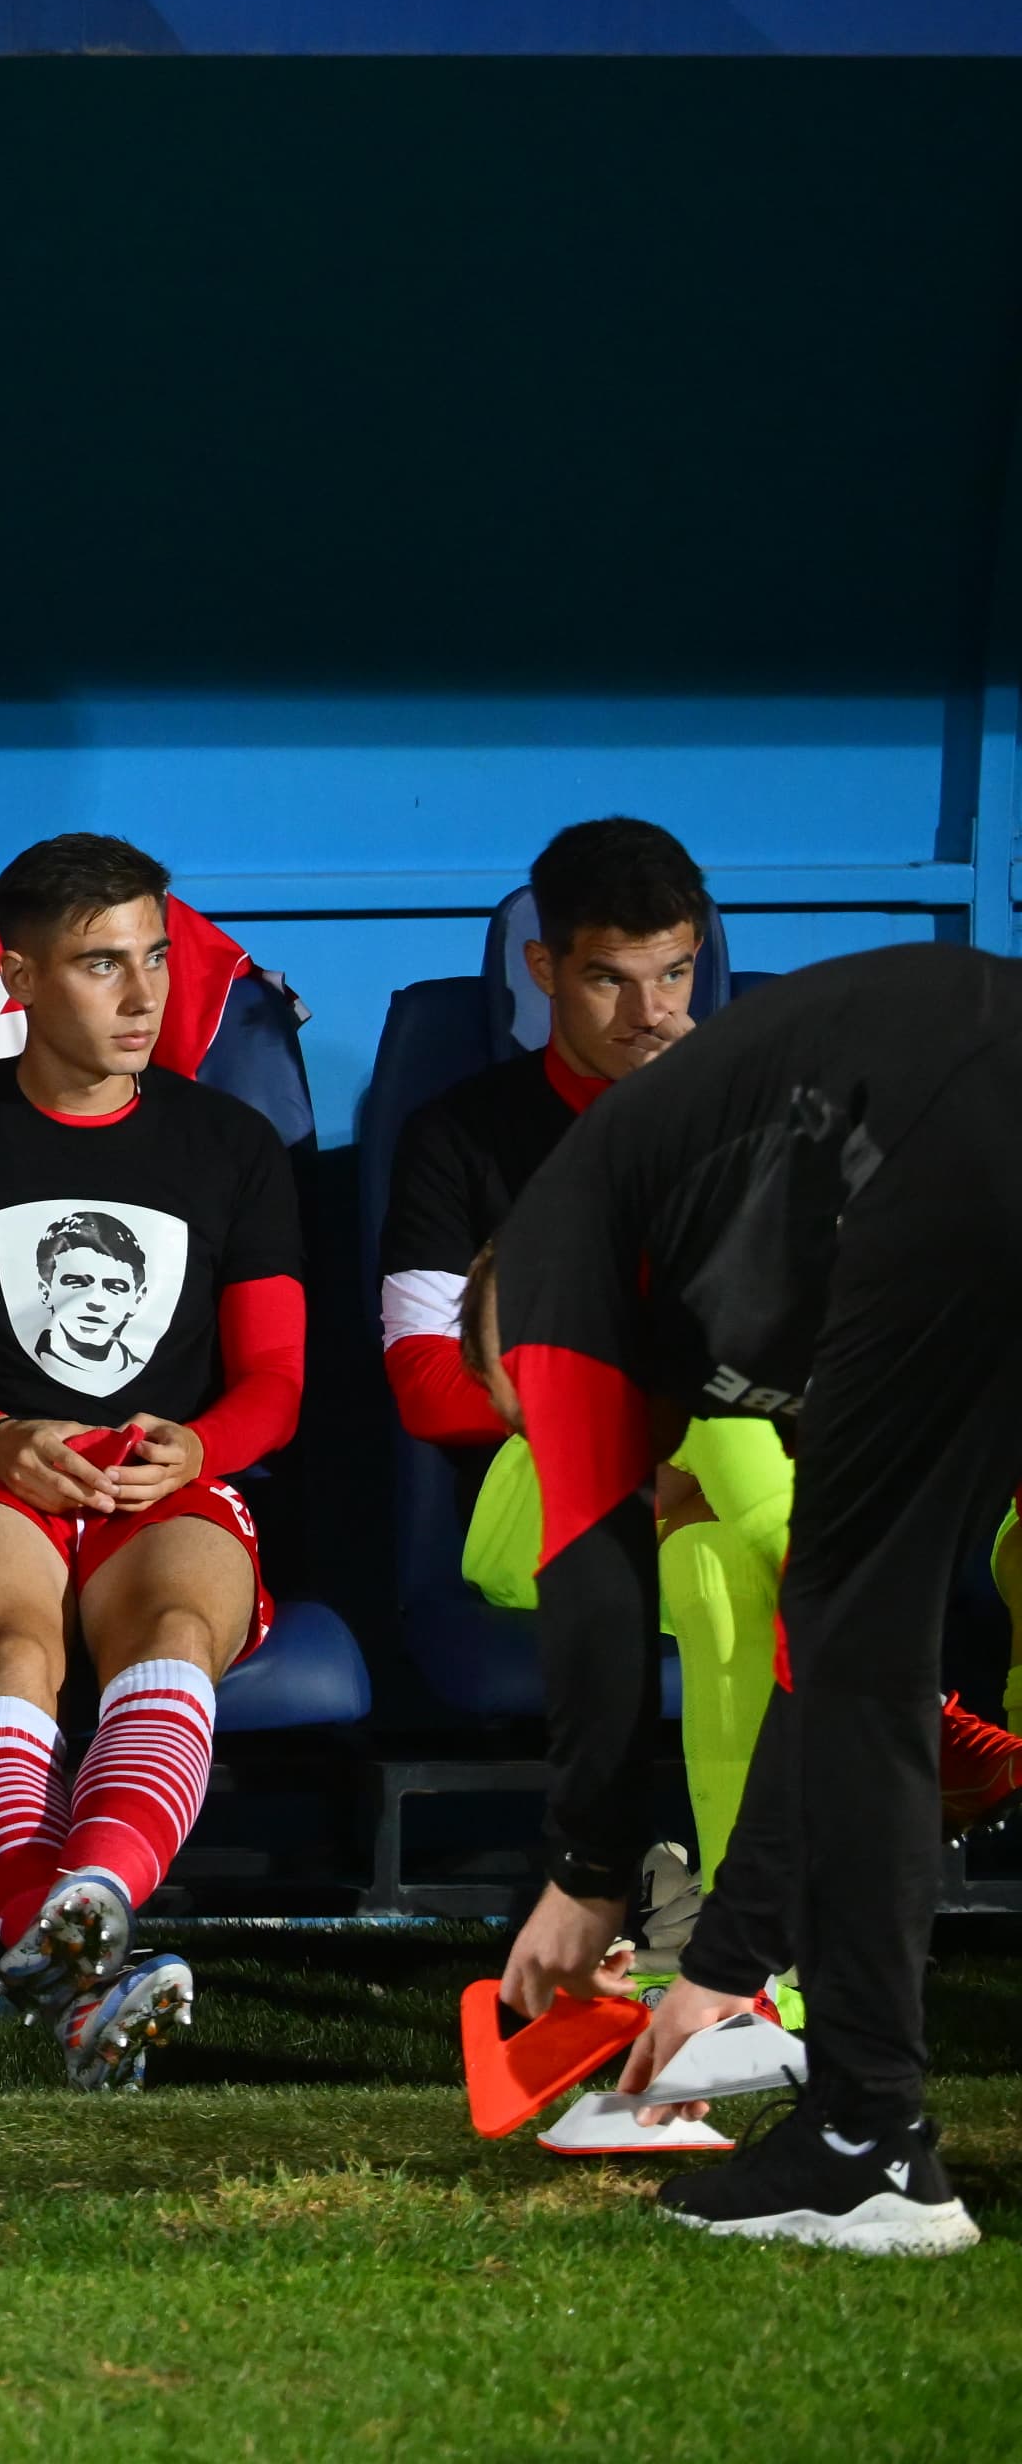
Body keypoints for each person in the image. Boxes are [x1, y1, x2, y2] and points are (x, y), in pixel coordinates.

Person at [479, 946, 1022, 2257]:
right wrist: (723, 1968)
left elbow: (597, 1585)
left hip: (963, 1108)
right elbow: (825, 1671)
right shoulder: (788, 1278)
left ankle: (867, 2142)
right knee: (852, 1639)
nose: (568, 1440)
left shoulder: (559, 1249)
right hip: (971, 1091)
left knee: (855, 1637)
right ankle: (860, 2133)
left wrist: (586, 1870)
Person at [390, 821, 1022, 1926]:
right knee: (706, 1406)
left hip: (736, 1499)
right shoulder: (463, 1135)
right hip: (532, 1495)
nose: (652, 1013)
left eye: (675, 973)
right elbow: (430, 1387)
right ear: (543, 970)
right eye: (610, 980)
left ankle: (750, 1975)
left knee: (728, 1578)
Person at [0, 834, 304, 2089]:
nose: (144, 995)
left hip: (163, 1472)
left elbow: (277, 1384)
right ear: (21, 975)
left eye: (154, 958)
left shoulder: (233, 1147)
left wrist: (204, 1445)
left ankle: (81, 1909)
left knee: (173, 1633)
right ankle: (88, 1957)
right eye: (103, 965)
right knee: (11, 1651)